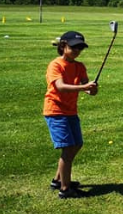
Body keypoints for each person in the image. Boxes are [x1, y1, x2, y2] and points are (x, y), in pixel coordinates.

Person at [44, 31, 98, 198]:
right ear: (63, 46)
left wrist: (91, 89)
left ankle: (57, 180)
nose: (77, 51)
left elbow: (87, 88)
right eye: (74, 47)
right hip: (55, 111)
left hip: (71, 111)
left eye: (80, 48)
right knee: (68, 150)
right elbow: (60, 86)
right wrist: (84, 88)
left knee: (77, 144)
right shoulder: (56, 65)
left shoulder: (79, 66)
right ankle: (65, 189)